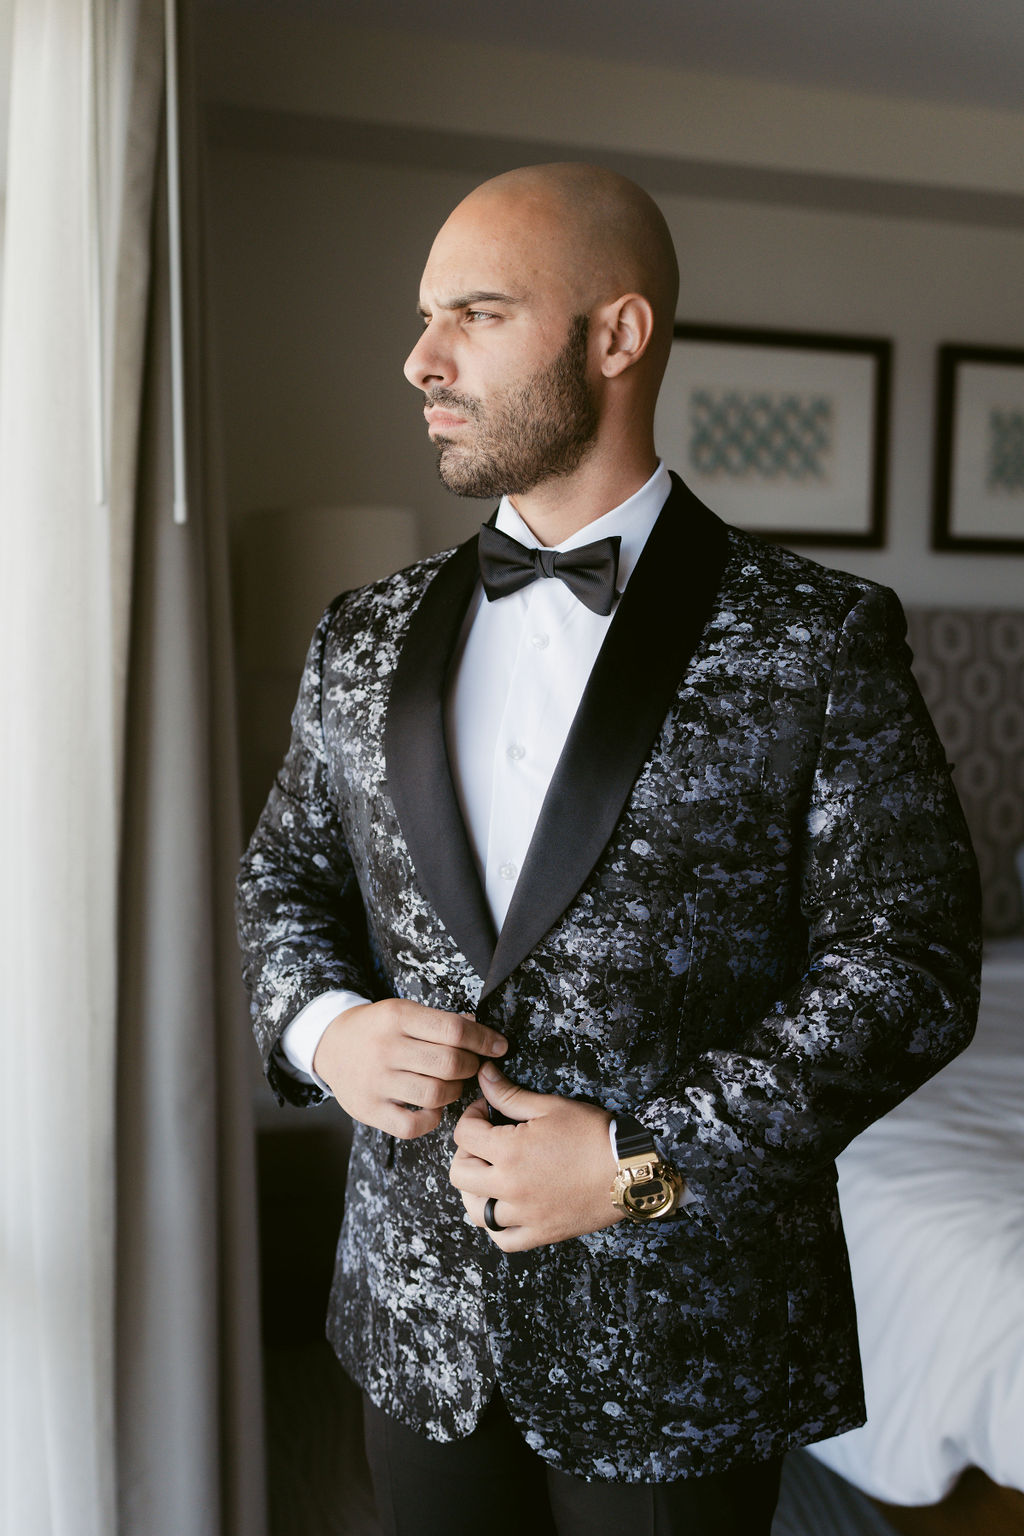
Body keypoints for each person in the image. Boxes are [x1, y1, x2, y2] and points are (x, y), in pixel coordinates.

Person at [236, 163, 980, 1535]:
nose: (420, 357)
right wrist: (326, 1030)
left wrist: (644, 1155)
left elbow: (913, 967)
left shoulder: (815, 640)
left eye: (476, 311)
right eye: (423, 315)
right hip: (419, 1326)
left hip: (685, 1332)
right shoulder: (361, 633)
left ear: (616, 336)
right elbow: (282, 880)